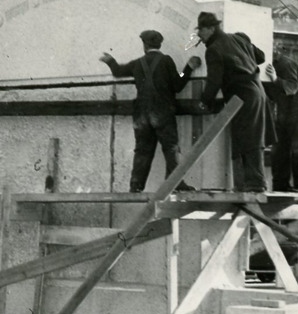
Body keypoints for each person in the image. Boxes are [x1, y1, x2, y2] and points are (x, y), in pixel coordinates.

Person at [100, 29, 202, 193]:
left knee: (142, 151)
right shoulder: (166, 61)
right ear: (159, 44)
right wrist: (188, 68)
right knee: (171, 148)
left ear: (144, 45)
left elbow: (118, 71)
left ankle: (135, 186)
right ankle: (175, 184)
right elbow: (178, 84)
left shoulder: (138, 63)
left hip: (141, 115)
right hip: (162, 113)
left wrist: (110, 60)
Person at [195, 11, 271, 193]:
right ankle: (252, 183)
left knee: (246, 140)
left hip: (242, 96)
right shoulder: (238, 39)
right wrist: (243, 45)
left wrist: (205, 101)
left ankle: (254, 184)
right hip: (258, 92)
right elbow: (260, 57)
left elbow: (214, 81)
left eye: (202, 30)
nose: (199, 34)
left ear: (212, 28)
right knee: (253, 138)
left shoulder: (213, 50)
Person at [263, 51, 298, 193]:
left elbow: (292, 87)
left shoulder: (286, 63)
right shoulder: (263, 67)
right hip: (282, 109)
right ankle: (280, 185)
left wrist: (275, 79)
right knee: (279, 148)